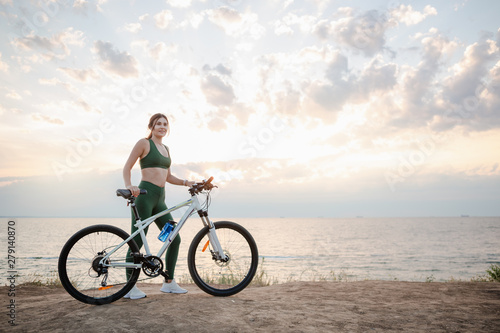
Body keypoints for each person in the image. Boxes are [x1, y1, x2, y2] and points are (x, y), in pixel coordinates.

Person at [123, 113, 195, 299]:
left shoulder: (166, 149)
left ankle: (169, 283)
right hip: (145, 196)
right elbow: (127, 167)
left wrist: (188, 182)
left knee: (174, 238)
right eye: (158, 124)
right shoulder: (144, 143)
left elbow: (168, 177)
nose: (162, 127)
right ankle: (129, 288)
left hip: (160, 200)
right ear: (151, 127)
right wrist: (129, 186)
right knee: (137, 241)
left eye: (165, 124)